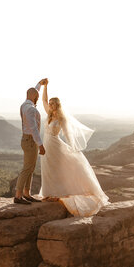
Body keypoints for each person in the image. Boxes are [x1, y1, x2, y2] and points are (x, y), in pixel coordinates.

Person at [39, 80, 109, 216]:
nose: (51, 105)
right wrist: (45, 87)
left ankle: (56, 193)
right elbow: (44, 100)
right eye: (51, 103)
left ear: (58, 105)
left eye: (54, 104)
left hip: (56, 146)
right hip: (46, 145)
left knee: (56, 168)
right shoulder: (49, 115)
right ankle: (47, 193)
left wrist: (72, 147)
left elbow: (68, 134)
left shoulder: (61, 119)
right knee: (47, 167)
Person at [15, 79, 47, 204]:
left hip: (26, 139)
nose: (38, 99)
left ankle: (26, 194)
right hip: (30, 141)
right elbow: (33, 129)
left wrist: (40, 84)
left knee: (30, 168)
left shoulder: (25, 104)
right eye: (37, 97)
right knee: (27, 168)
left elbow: (33, 92)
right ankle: (18, 196)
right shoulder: (31, 110)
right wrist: (41, 145)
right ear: (34, 97)